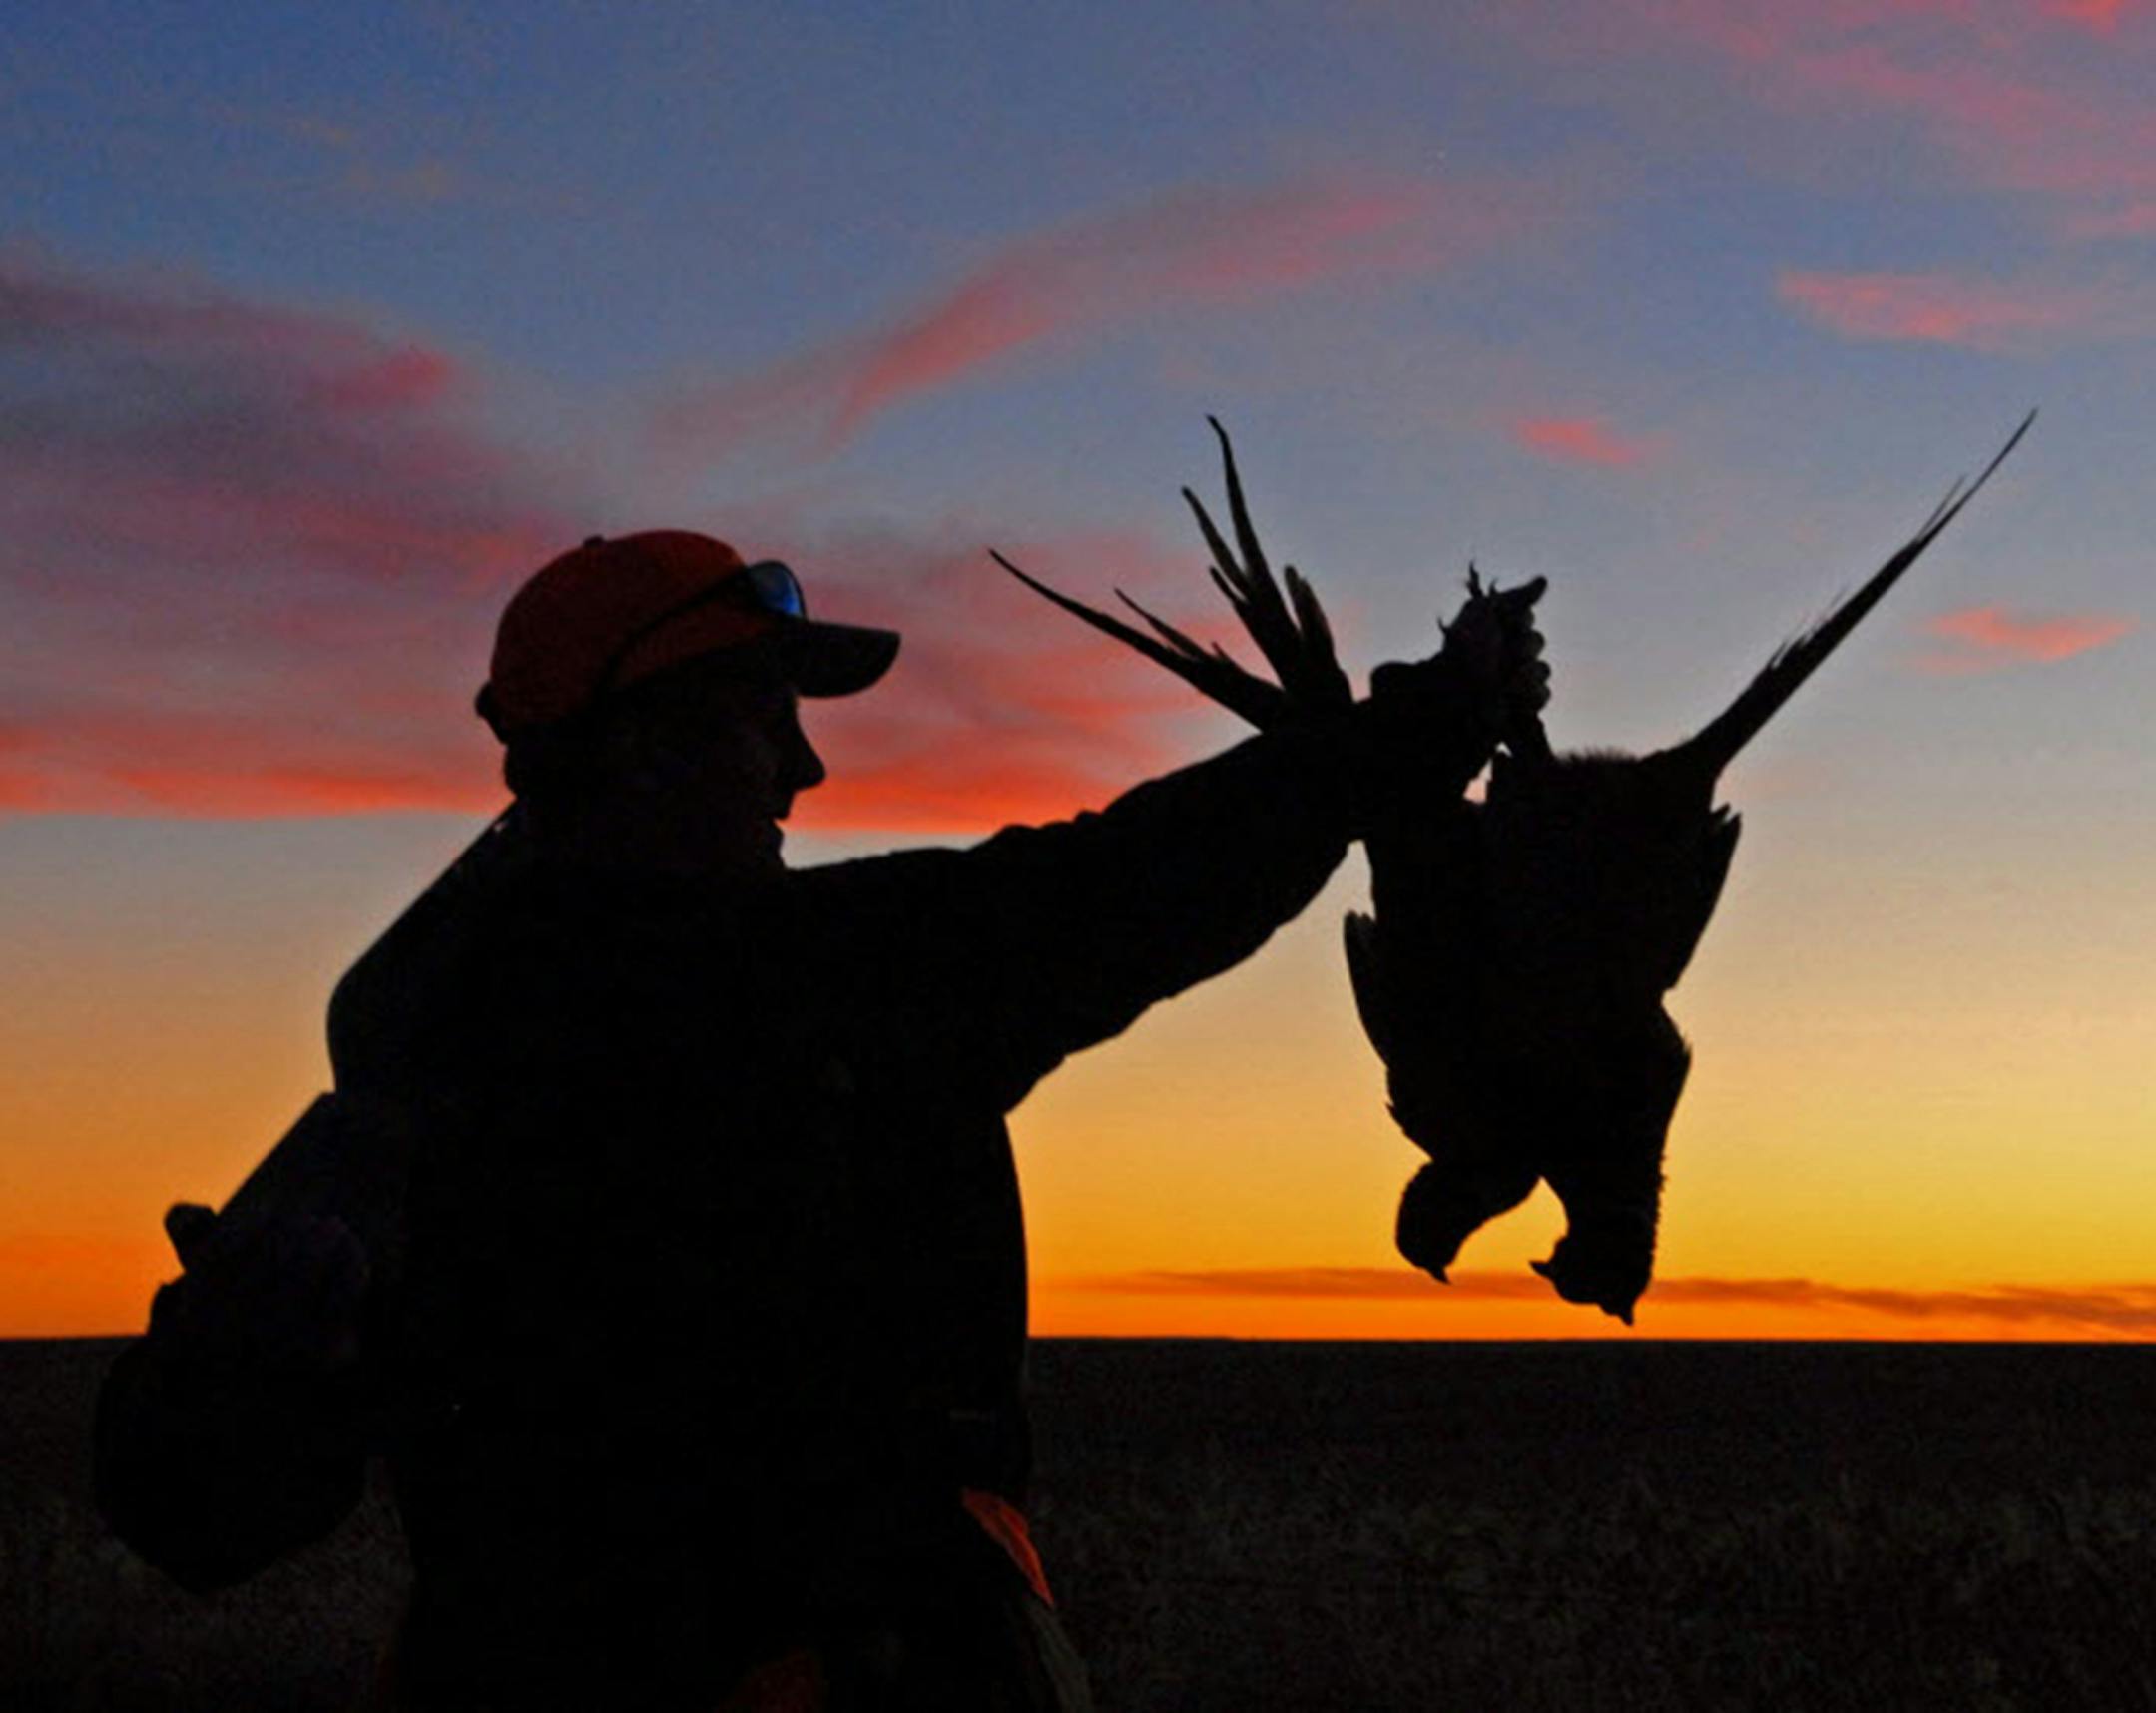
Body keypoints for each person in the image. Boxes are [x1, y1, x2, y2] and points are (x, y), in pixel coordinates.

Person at [97, 516, 1546, 1710]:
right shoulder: (833, 987)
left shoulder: (422, 1074)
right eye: (762, 722)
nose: (807, 766)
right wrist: (1437, 710)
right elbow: (1133, 886)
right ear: (644, 749)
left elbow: (192, 1518)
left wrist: (232, 1375)